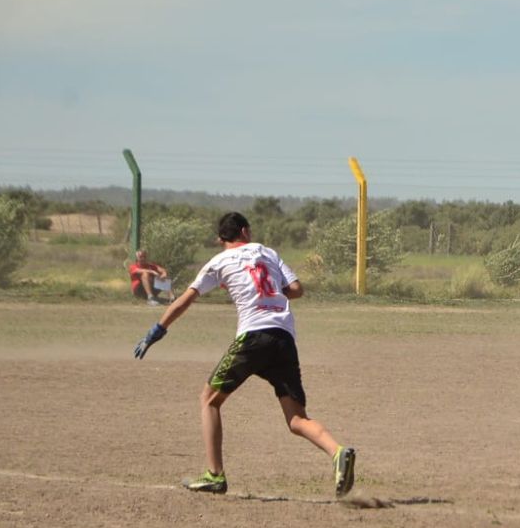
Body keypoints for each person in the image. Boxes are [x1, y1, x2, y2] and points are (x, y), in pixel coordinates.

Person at [133, 212, 355, 497]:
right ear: (245, 231)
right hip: (283, 338)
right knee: (297, 419)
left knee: (209, 401)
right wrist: (272, 290)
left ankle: (214, 475)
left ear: (220, 239)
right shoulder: (267, 252)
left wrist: (157, 330)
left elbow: (185, 300)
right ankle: (337, 452)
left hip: (253, 337)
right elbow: (297, 290)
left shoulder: (219, 261)